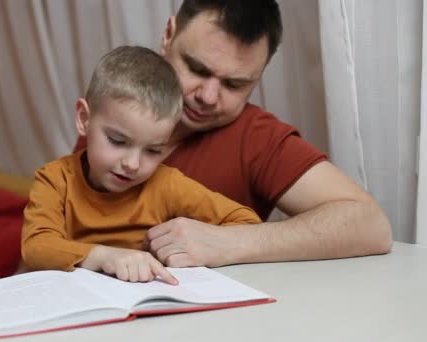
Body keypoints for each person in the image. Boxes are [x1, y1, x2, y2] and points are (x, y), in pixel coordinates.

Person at [142, 0, 393, 267]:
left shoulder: (254, 137)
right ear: (168, 35)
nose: (208, 96)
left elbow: (370, 225)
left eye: (234, 84)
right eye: (197, 69)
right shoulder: (104, 109)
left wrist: (230, 242)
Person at [21, 46, 261, 285]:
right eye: (117, 141)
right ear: (84, 119)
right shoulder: (55, 179)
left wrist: (195, 240)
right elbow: (36, 247)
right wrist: (104, 256)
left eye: (153, 150)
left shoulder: (167, 184)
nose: (133, 164)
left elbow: (246, 222)